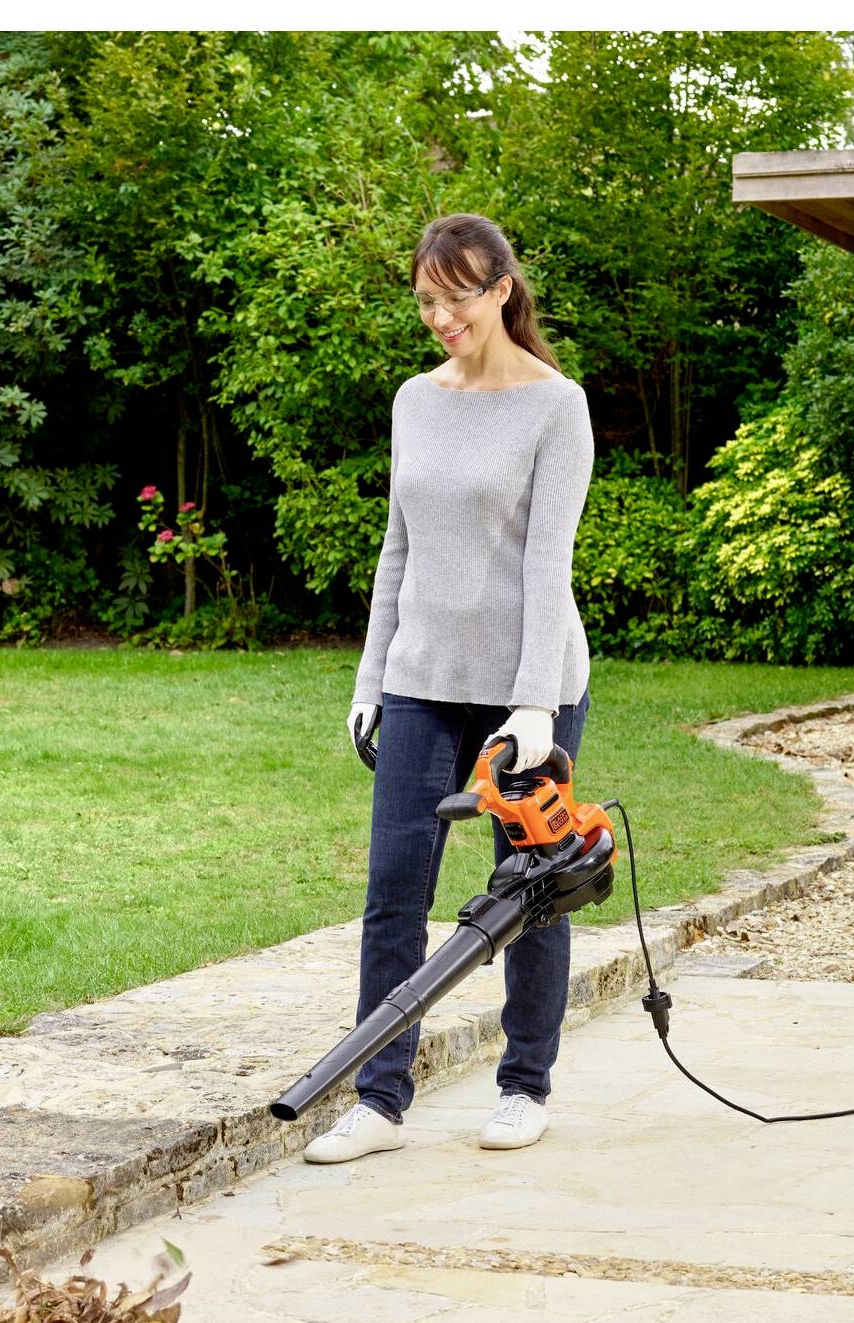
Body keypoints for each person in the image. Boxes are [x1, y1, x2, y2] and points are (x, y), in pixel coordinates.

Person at [304, 212, 594, 1164]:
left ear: (501, 289)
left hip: (528, 685)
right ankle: (378, 1100)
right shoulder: (412, 401)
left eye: (454, 297)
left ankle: (523, 1084)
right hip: (422, 678)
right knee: (394, 891)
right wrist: (370, 678)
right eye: (425, 300)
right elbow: (398, 549)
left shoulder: (558, 406)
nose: (437, 317)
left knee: (529, 885)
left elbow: (547, 566)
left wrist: (534, 705)